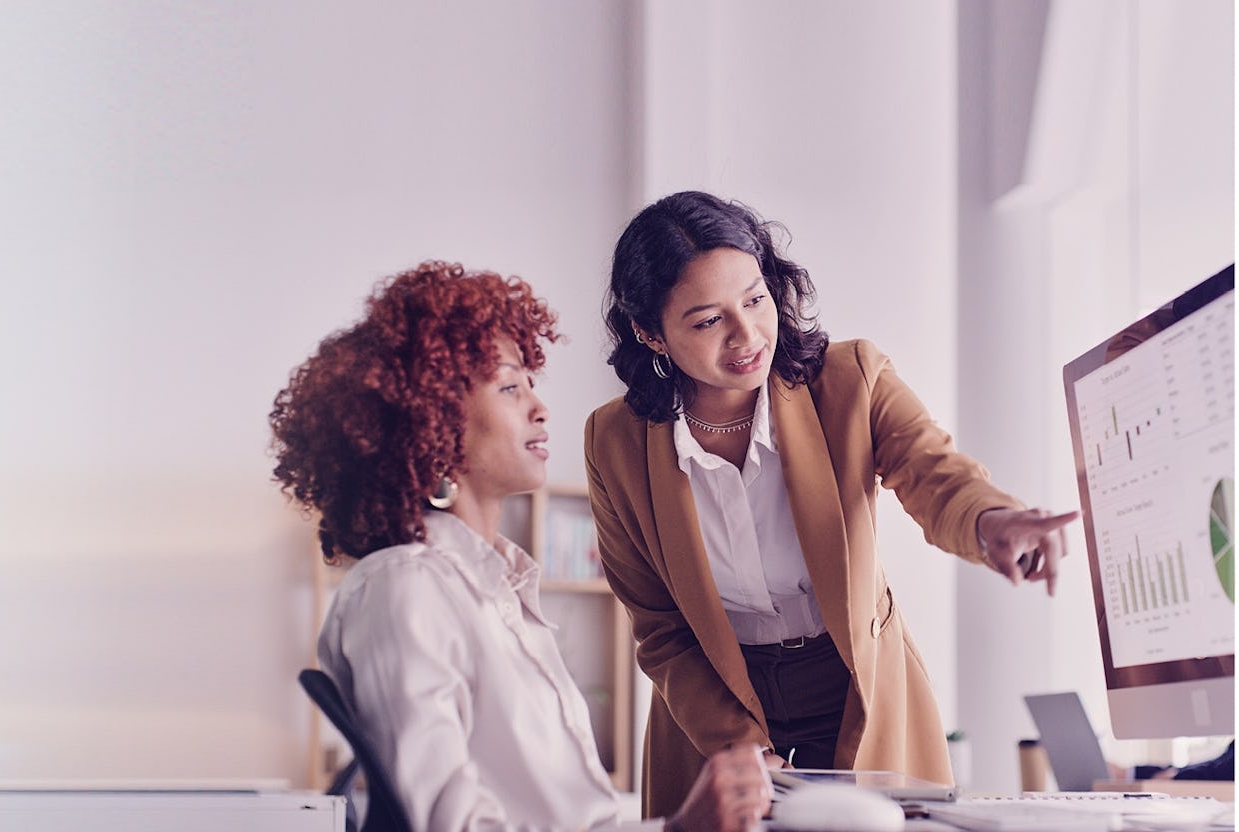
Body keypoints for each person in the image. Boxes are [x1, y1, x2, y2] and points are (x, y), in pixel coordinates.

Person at [582, 191, 1081, 818]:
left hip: (856, 688)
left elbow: (934, 473)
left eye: (756, 299)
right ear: (649, 332)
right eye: (708, 320)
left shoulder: (851, 379)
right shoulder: (616, 443)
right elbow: (661, 631)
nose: (746, 335)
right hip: (714, 707)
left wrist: (991, 519)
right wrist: (737, 748)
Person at [270, 261, 773, 832]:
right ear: (429, 423)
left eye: (530, 384)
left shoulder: (492, 586)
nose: (540, 408)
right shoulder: (403, 589)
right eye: (510, 387)